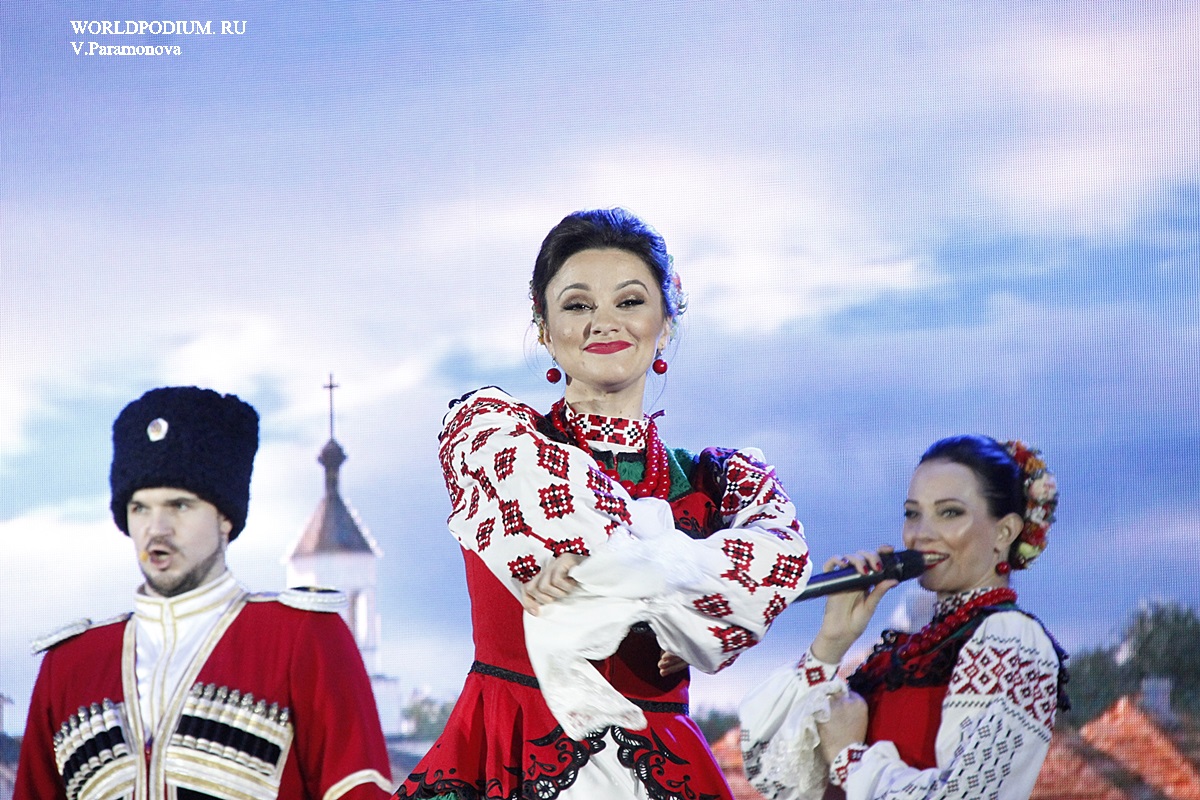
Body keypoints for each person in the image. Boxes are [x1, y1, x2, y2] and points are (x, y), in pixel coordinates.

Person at [397, 208, 813, 800]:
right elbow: (571, 521)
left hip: (661, 768)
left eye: (629, 301)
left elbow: (774, 567)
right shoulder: (497, 443)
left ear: (664, 322)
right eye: (576, 305)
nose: (603, 322)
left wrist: (644, 586)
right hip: (504, 754)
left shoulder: (722, 483)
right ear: (543, 328)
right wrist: (680, 596)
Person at [15, 386, 394, 800]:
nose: (155, 529)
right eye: (140, 508)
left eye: (180, 506)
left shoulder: (302, 637)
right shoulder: (69, 666)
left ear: (225, 519)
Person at [739, 435, 1068, 800]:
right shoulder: (905, 643)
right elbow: (770, 778)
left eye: (949, 513)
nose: (920, 535)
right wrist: (831, 643)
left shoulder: (1012, 641)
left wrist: (851, 761)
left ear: (1005, 531)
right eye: (913, 513)